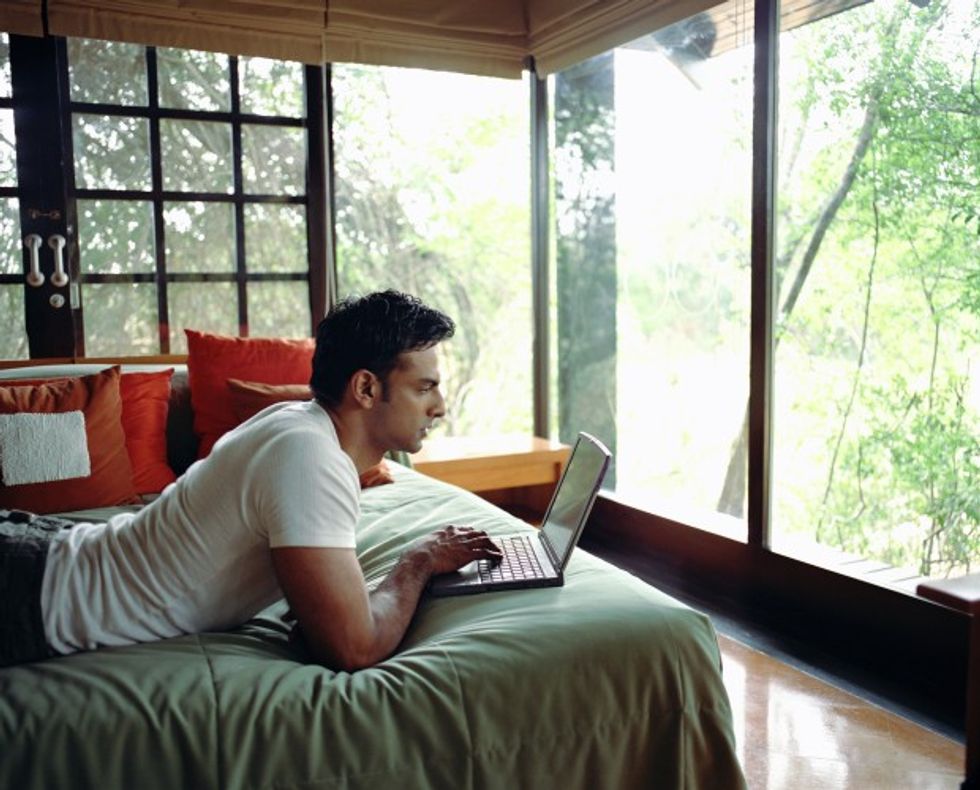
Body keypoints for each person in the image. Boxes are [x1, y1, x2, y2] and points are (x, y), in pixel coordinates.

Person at [0, 290, 502, 671]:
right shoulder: (309, 457)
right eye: (424, 388)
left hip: (44, 555)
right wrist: (419, 561)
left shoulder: (297, 425)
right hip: (32, 592)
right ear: (366, 388)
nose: (439, 407)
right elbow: (353, 647)